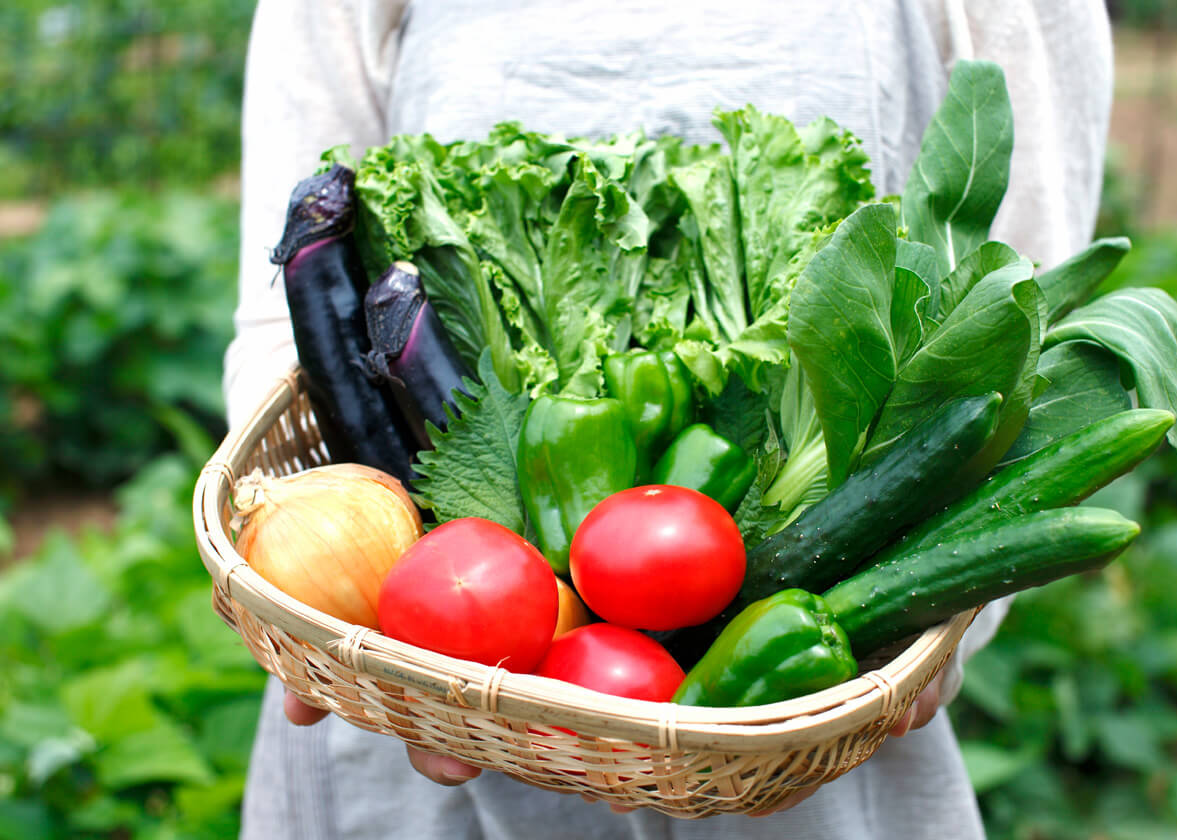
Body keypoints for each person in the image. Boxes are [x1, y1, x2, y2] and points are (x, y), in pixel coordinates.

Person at [224, 1, 1115, 837]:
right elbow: (290, 323)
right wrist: (316, 616)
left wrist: (923, 634)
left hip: (812, 748)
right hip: (414, 700)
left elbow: (1006, 329)